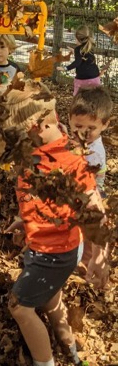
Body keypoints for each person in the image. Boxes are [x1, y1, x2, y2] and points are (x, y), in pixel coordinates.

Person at [4, 84, 105, 366]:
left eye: (22, 134)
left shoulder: (69, 158)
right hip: (42, 243)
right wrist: (25, 220)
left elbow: (94, 208)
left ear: (41, 125)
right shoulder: (37, 151)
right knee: (50, 302)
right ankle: (69, 348)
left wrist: (99, 256)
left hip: (55, 251)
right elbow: (44, 198)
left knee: (20, 307)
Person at [69, 86, 112, 288]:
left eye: (91, 128)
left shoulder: (94, 152)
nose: (84, 133)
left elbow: (84, 183)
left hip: (90, 197)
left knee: (86, 234)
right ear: (69, 119)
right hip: (82, 193)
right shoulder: (80, 142)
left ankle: (85, 271)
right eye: (78, 126)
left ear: (105, 125)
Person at [66, 24, 101, 95]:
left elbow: (78, 61)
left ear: (78, 39)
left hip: (81, 79)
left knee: (77, 97)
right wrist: (75, 53)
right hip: (95, 78)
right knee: (95, 97)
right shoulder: (91, 48)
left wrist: (66, 68)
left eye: (76, 39)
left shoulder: (77, 49)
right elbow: (84, 56)